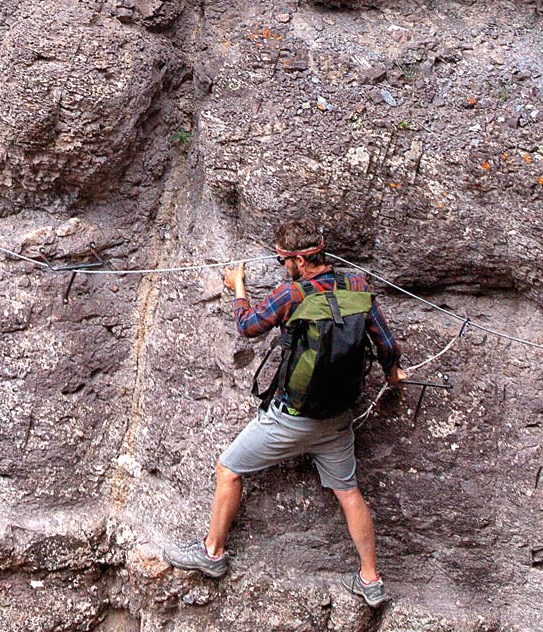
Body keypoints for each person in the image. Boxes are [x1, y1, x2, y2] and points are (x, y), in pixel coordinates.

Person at [164, 221, 404, 605]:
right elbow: (387, 344)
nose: (282, 265)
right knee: (348, 492)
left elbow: (247, 326)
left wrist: (237, 287)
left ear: (298, 261)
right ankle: (371, 580)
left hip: (291, 419)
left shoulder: (292, 294)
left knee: (228, 468)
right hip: (337, 420)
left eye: (282, 260)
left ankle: (212, 553)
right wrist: (392, 373)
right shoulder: (358, 286)